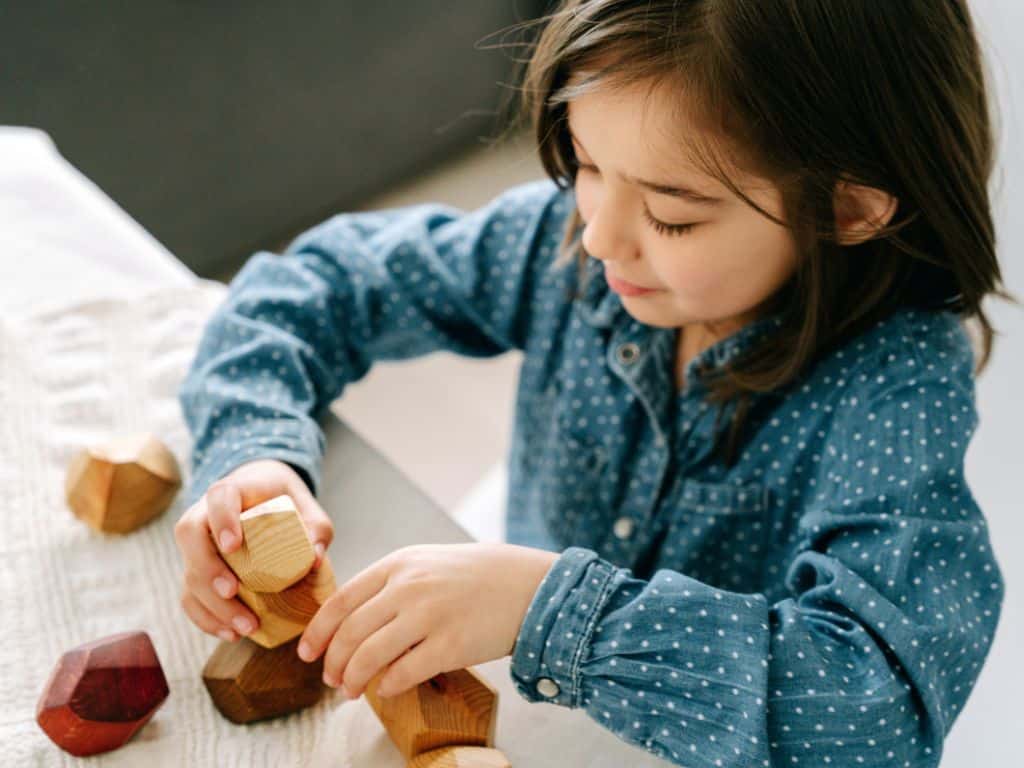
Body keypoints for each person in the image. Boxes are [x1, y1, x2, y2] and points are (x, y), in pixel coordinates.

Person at [173, 1, 1011, 765]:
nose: (601, 235)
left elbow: (879, 712)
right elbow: (309, 290)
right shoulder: (567, 238)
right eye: (585, 161)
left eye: (672, 216)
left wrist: (548, 608)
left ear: (846, 210)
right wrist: (255, 455)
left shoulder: (897, 392)